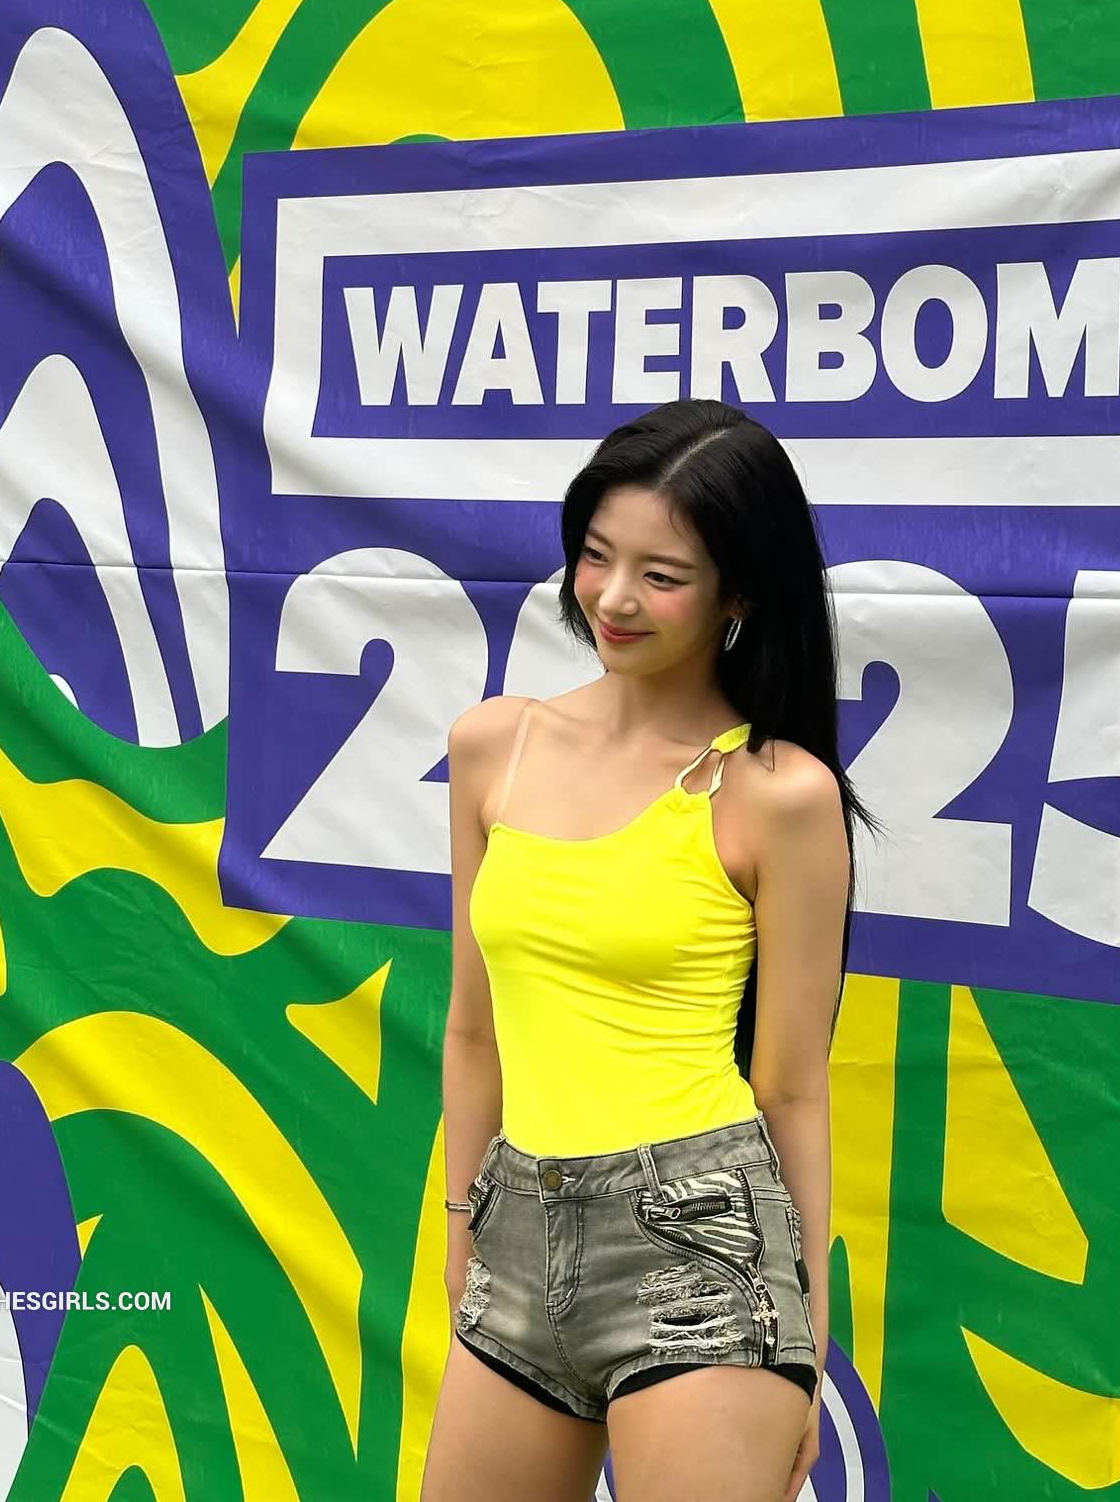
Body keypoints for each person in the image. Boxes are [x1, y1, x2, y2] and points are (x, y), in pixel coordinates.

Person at [422, 398, 871, 1502]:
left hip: (704, 1245)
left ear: (738, 595)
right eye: (595, 555)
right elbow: (474, 1031)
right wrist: (464, 1225)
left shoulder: (778, 795)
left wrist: (806, 1331)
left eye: (660, 575)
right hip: (514, 1225)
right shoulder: (494, 745)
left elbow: (791, 1087)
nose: (613, 598)